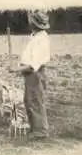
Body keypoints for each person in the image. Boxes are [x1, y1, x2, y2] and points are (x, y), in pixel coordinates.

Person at [8, 9, 51, 141]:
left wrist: (16, 70)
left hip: (35, 74)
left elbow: (33, 66)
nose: (29, 22)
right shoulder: (35, 36)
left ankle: (40, 131)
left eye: (31, 20)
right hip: (31, 73)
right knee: (29, 100)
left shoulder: (41, 40)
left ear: (36, 24)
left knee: (35, 100)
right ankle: (35, 129)